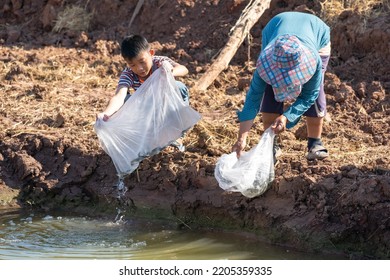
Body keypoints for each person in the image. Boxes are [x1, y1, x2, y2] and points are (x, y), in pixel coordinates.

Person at [232, 11, 331, 160]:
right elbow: (253, 99)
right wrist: (241, 138)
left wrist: (286, 117)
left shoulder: (313, 60)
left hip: (316, 34)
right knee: (269, 89)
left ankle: (314, 143)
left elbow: (309, 95)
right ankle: (270, 144)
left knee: (316, 92)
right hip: (276, 27)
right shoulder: (267, 60)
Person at [97, 34, 190, 151]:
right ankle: (143, 138)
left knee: (179, 87)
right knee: (126, 101)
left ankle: (177, 136)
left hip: (167, 107)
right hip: (147, 110)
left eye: (142, 61)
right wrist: (106, 114)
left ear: (151, 53)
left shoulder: (159, 63)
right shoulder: (128, 74)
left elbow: (184, 69)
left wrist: (170, 72)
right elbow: (119, 96)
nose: (139, 68)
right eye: (133, 65)